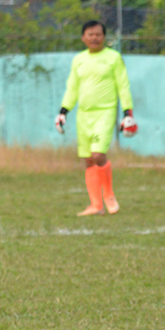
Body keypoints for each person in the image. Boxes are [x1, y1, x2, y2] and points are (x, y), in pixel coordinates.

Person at [55, 20, 136, 216]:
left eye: (98, 34)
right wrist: (63, 112)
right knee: (88, 159)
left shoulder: (113, 58)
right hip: (84, 114)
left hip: (105, 112)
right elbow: (72, 88)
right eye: (90, 34)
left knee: (98, 154)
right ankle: (95, 205)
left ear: (104, 37)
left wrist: (128, 113)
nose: (94, 38)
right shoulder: (79, 60)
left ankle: (108, 194)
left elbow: (123, 86)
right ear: (83, 38)